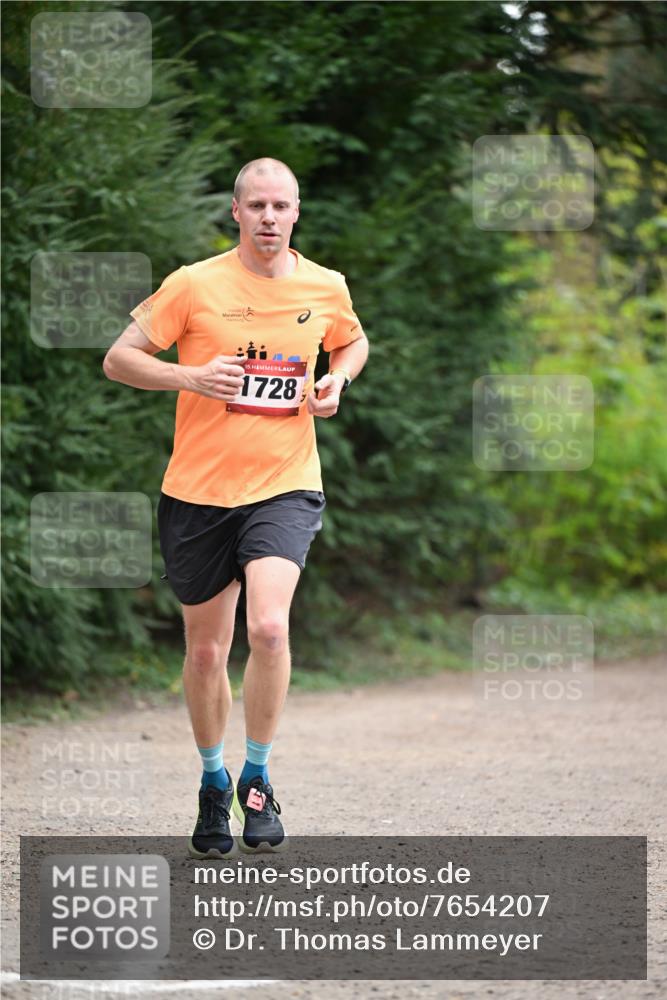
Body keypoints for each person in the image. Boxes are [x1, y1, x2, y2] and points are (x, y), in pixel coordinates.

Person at [102, 157, 369, 857]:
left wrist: (337, 379)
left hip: (284, 483)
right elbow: (118, 359)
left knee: (271, 629)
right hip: (198, 493)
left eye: (281, 206)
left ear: (297, 212)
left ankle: (256, 778)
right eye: (256, 206)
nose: (269, 218)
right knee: (205, 651)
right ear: (236, 212)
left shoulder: (325, 285)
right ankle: (212, 781)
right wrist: (190, 376)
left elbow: (351, 340)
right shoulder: (194, 284)